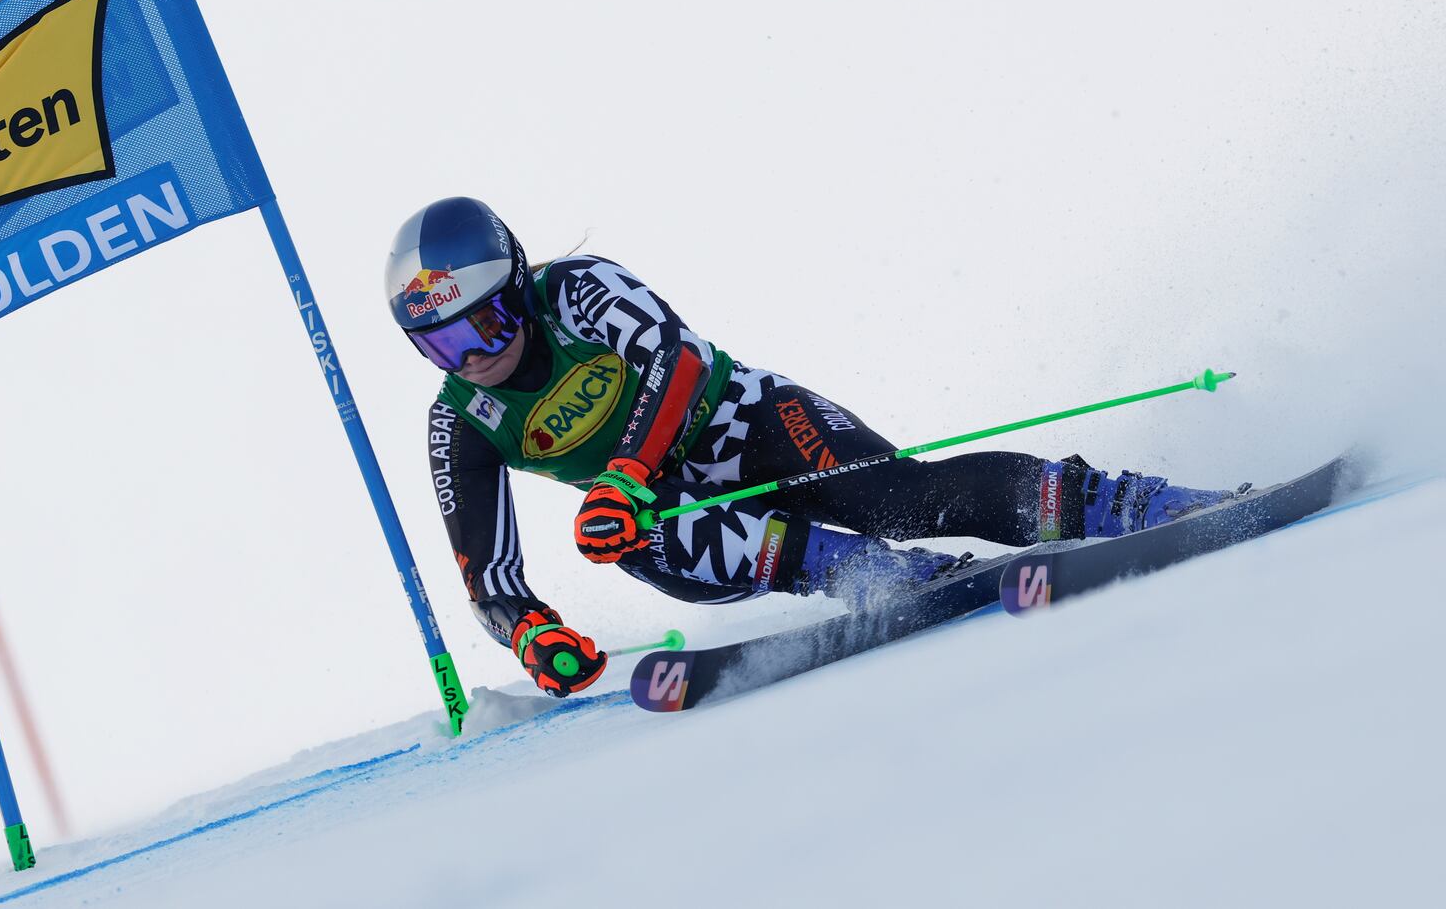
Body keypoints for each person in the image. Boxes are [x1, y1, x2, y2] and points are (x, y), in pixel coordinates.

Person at [389, 197, 1240, 698]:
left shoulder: (575, 290)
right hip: (684, 513)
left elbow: (676, 362)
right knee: (623, 533)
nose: (474, 358)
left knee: (906, 501)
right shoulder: (461, 419)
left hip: (754, 425)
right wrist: (534, 636)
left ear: (518, 285)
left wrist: (623, 471)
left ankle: (1127, 501)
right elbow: (487, 581)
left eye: (486, 323)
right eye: (441, 348)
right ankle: (872, 577)